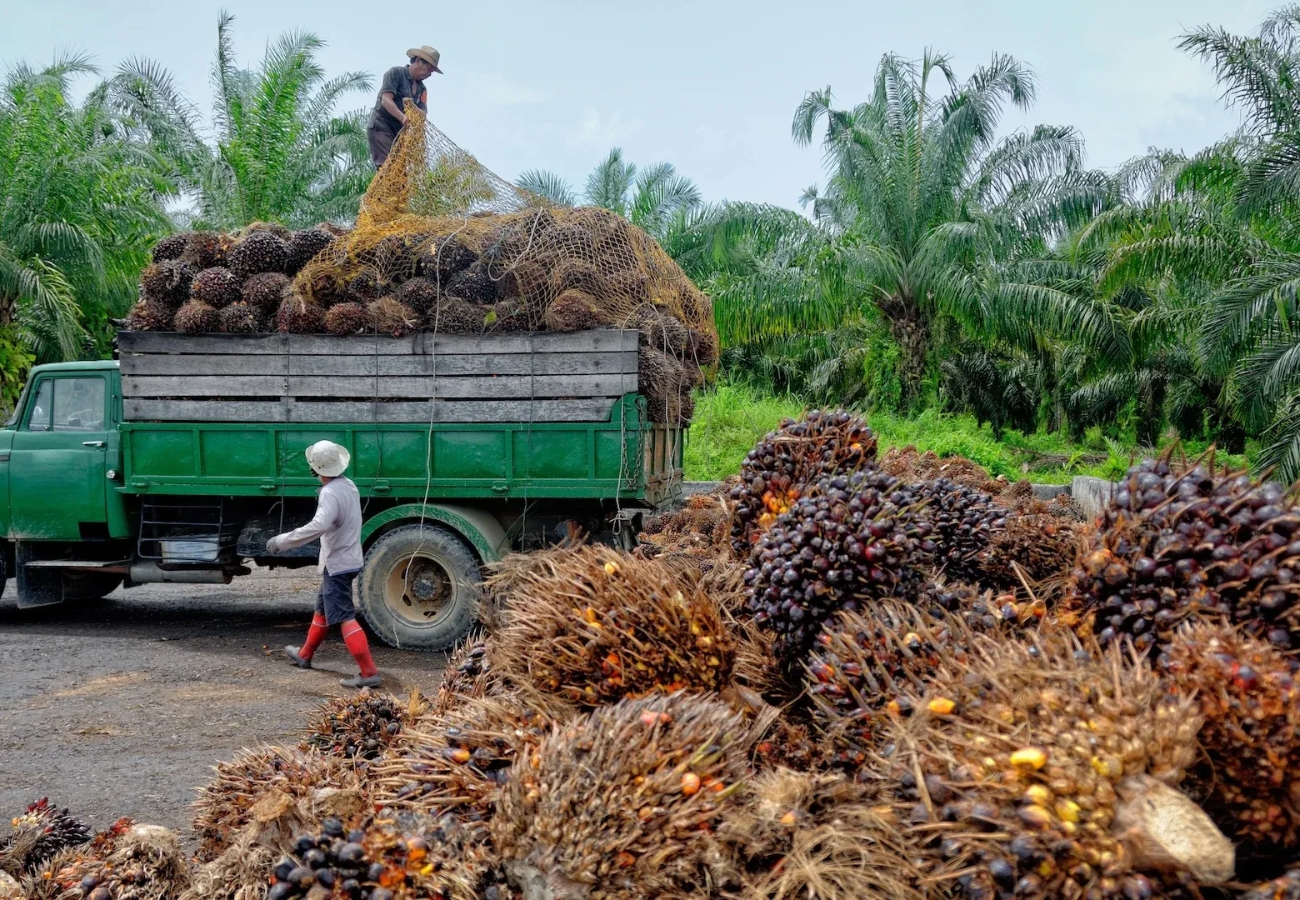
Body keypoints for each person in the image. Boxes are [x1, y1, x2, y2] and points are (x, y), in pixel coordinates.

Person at [269, 440, 381, 688]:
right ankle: (305, 655)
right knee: (322, 609)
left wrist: (282, 541)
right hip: (348, 558)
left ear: (315, 469)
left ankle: (369, 672)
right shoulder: (349, 485)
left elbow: (318, 526)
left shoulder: (329, 493)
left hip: (338, 563)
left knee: (344, 617)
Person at [367, 45, 442, 169]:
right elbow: (386, 100)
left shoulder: (422, 89)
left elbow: (423, 113)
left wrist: (415, 113)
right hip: (381, 127)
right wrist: (402, 117)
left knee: (401, 172)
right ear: (418, 60)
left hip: (399, 134)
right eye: (428, 69)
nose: (429, 75)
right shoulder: (396, 73)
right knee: (388, 168)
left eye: (432, 72)